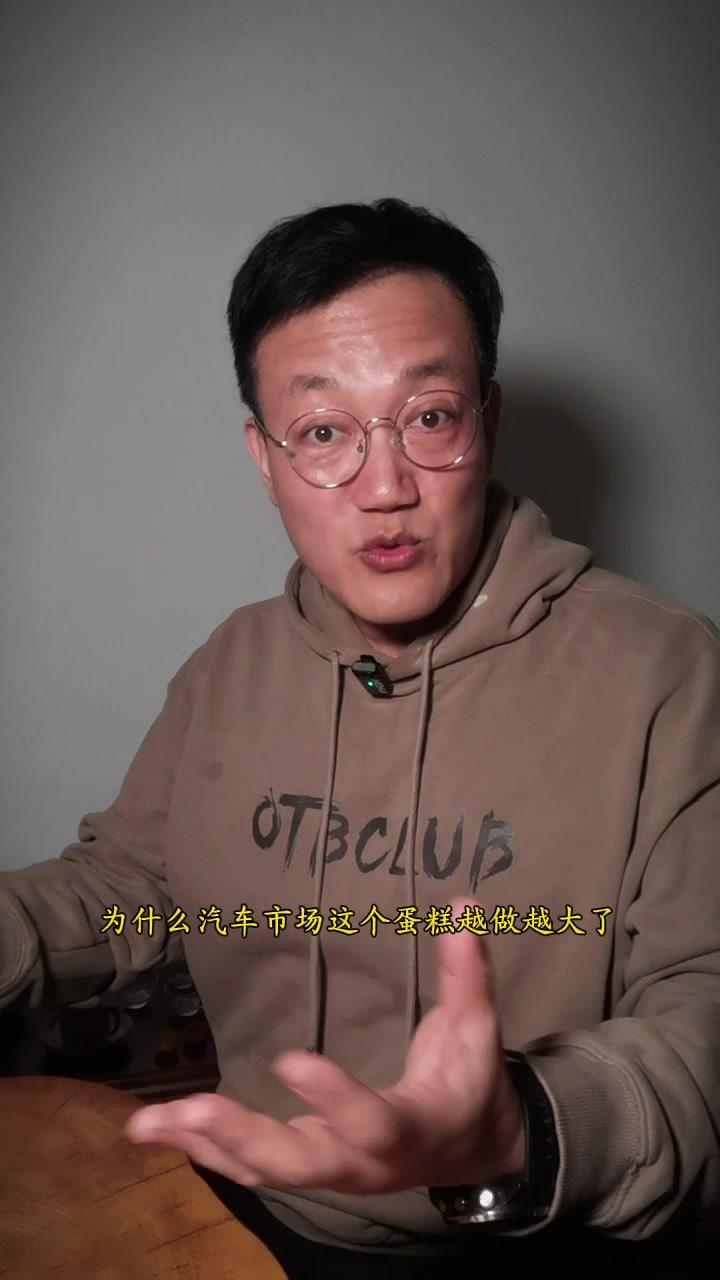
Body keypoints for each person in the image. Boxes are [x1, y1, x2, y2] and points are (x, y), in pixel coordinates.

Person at [1, 199, 718, 1279]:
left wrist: (519, 1127)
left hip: (536, 1224)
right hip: (252, 1211)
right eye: (325, 432)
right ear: (264, 455)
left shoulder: (667, 670)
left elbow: (703, 1004)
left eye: (429, 417)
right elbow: (131, 886)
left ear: (488, 418)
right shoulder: (231, 664)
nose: (386, 490)